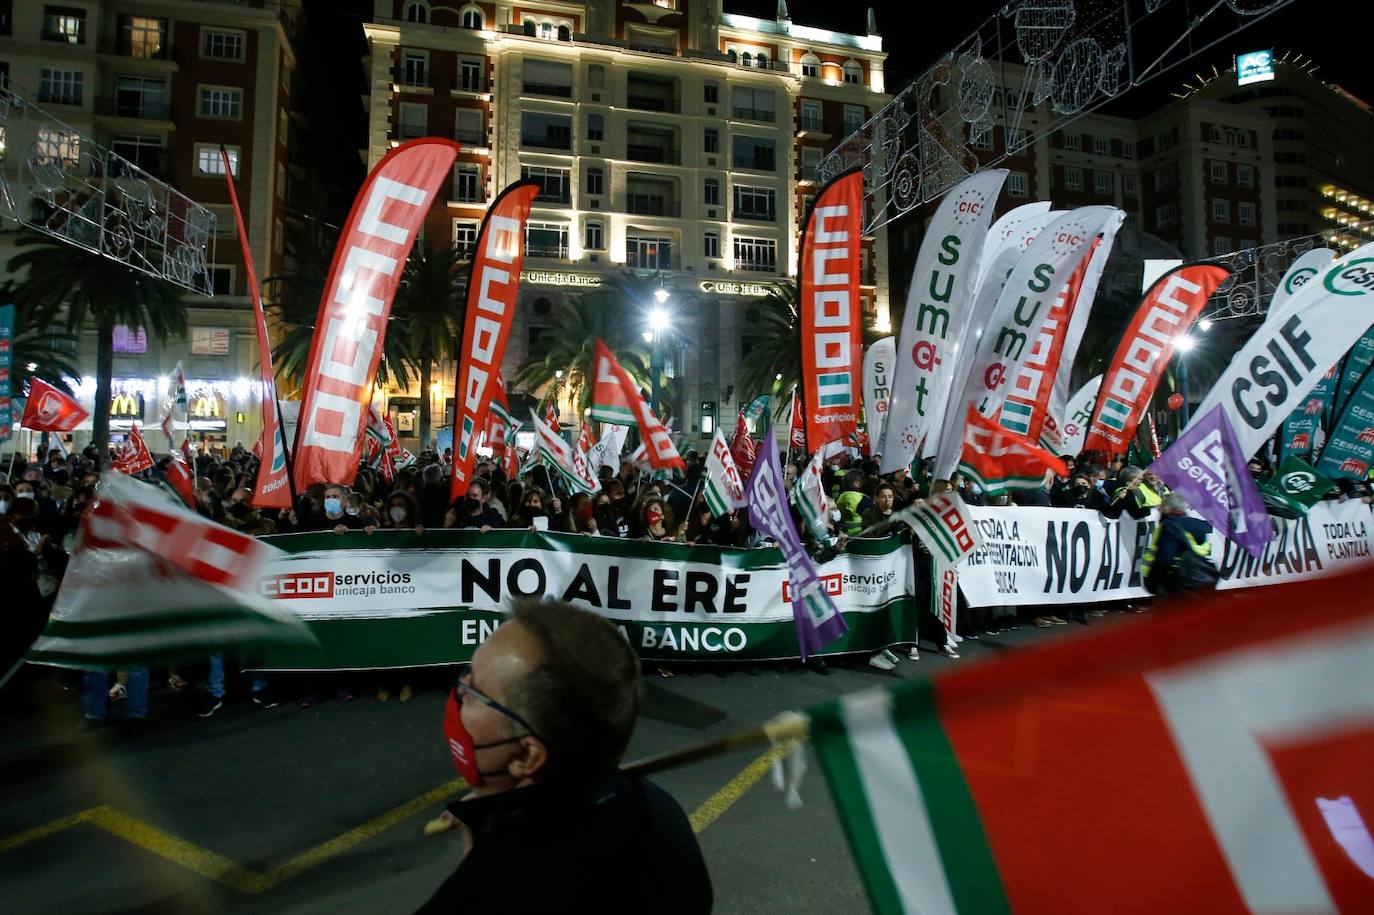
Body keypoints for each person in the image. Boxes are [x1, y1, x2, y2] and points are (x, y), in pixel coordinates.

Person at [416, 599, 712, 914]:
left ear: (528, 757)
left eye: (473, 693)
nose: (457, 694)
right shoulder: (659, 812)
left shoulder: (483, 896)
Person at [1141, 492, 1216, 597]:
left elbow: (1165, 559)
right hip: (1199, 579)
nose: (1158, 509)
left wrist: (1152, 584)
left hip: (1175, 583)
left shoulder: (1169, 525)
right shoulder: (1198, 524)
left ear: (1167, 508)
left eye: (1161, 506)